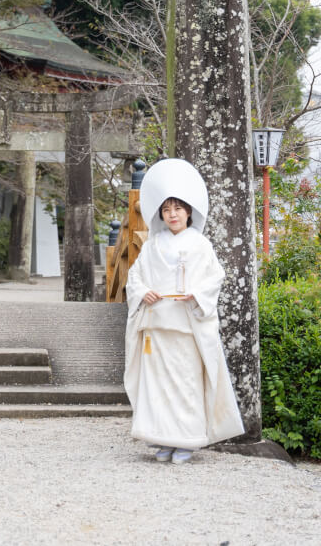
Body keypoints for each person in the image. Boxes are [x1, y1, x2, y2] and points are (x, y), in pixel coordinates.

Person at [123, 158, 244, 464]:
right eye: (166, 209)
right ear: (160, 214)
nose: (172, 214)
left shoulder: (201, 245)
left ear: (189, 211)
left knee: (185, 384)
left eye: (178, 208)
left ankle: (187, 439)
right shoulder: (152, 245)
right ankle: (161, 438)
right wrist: (142, 291)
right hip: (156, 323)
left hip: (186, 323)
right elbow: (135, 277)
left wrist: (197, 294)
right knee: (157, 386)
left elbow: (215, 277)